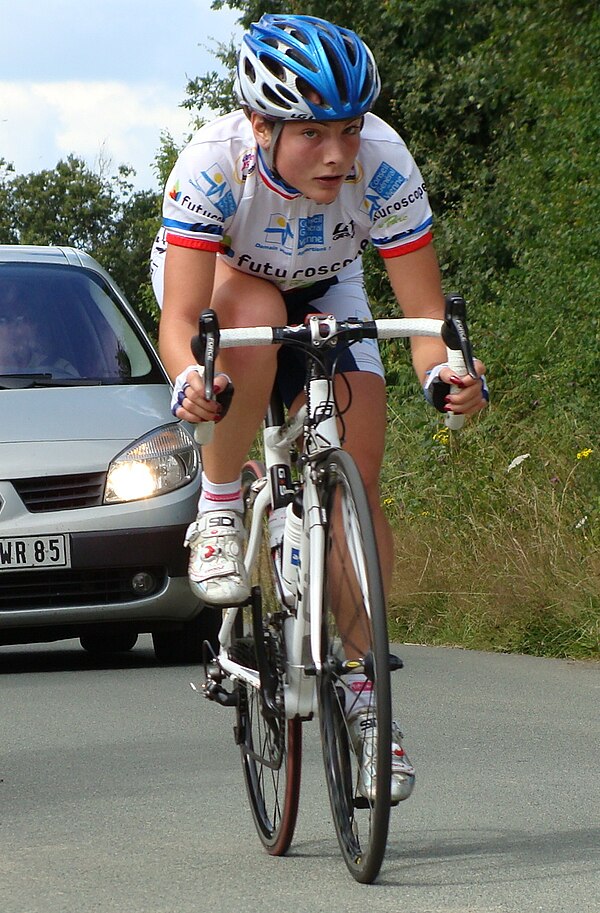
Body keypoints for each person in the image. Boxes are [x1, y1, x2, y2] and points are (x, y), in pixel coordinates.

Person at [151, 13, 488, 802]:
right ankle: (223, 505)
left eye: (348, 128)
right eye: (312, 133)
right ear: (260, 125)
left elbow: (426, 322)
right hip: (224, 282)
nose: (338, 153)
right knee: (252, 313)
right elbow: (179, 325)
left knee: (358, 491)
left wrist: (450, 378)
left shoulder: (385, 162)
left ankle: (368, 701)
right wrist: (190, 380)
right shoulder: (211, 163)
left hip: (332, 287)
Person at [0, 279, 79, 378]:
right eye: (4, 320)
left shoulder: (61, 370)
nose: (15, 329)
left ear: (35, 326)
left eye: (25, 320)